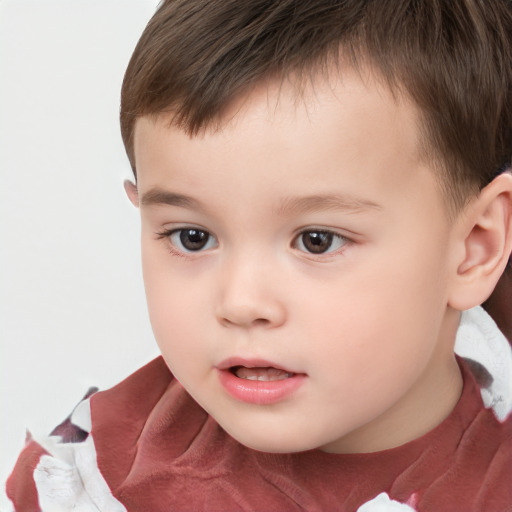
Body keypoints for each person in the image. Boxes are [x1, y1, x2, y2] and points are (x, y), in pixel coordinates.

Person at [6, 1, 512, 510]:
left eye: (317, 240)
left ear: (474, 248)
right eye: (192, 237)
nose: (242, 302)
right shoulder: (88, 484)